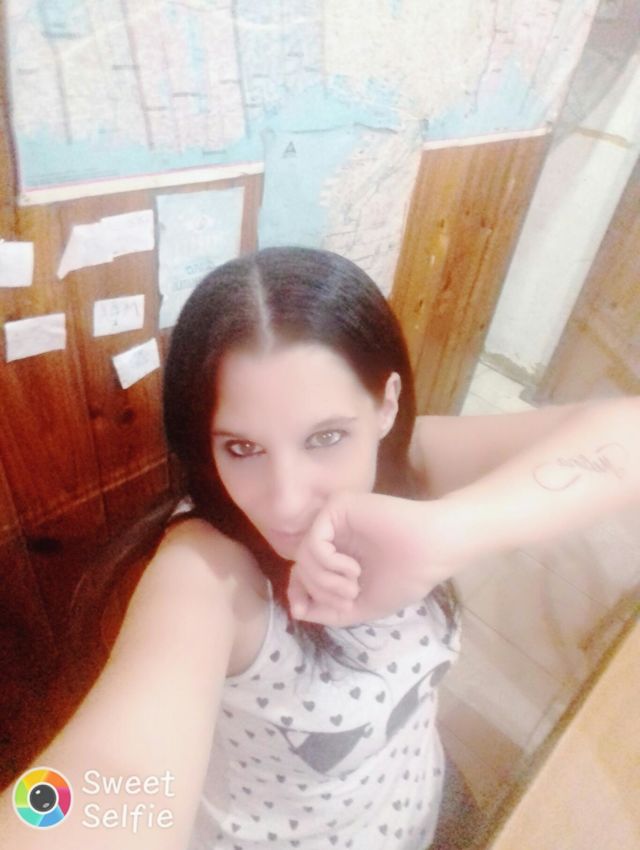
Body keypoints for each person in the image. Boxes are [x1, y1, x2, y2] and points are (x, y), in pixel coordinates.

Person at [1, 247, 638, 850]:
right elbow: (110, 779)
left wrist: (447, 532)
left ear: (386, 405)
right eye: (242, 448)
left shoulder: (411, 462)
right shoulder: (206, 570)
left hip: (425, 801)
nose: (284, 503)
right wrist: (43, 809)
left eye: (326, 437)